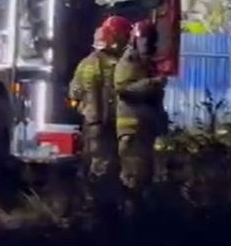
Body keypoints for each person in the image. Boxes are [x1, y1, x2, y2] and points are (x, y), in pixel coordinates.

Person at [69, 16, 130, 206]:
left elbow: (74, 93)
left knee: (93, 163)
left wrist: (84, 110)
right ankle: (102, 207)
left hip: (92, 124)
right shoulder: (118, 64)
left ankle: (89, 202)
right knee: (105, 166)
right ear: (116, 37)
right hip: (109, 123)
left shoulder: (85, 63)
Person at [114, 19, 168, 209]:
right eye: (143, 39)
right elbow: (122, 88)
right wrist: (152, 84)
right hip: (132, 131)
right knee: (132, 180)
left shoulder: (148, 64)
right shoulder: (130, 60)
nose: (146, 44)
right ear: (135, 40)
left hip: (145, 131)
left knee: (145, 178)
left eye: (149, 39)